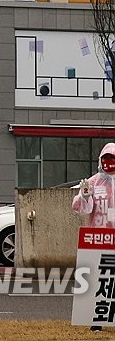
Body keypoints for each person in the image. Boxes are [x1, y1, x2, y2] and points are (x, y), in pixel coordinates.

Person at [72, 142, 115, 333]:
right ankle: (97, 319)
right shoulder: (94, 181)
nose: (109, 163)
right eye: (105, 159)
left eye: (112, 159)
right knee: (100, 280)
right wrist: (84, 196)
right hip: (98, 239)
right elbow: (79, 208)